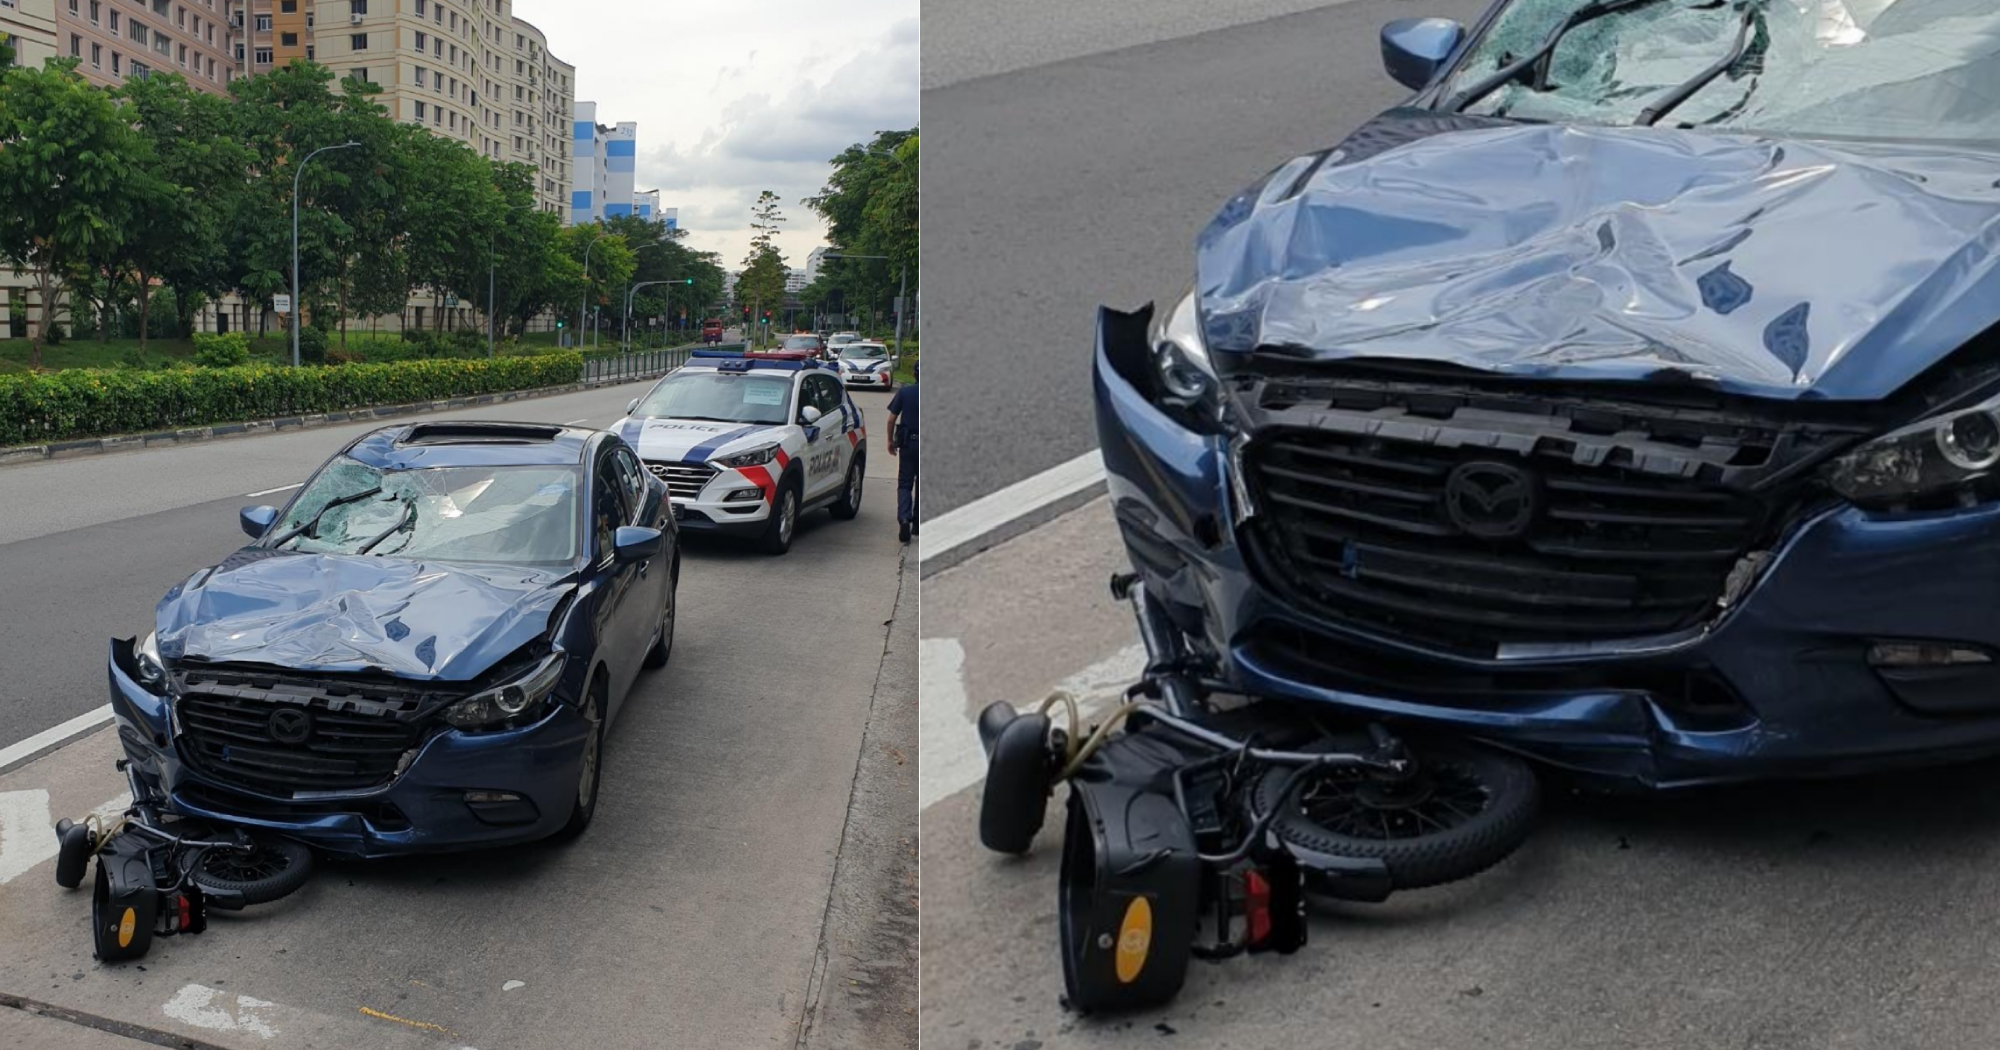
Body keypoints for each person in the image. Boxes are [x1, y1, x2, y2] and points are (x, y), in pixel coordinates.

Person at [886, 364, 919, 543]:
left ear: (914, 374)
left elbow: (891, 419)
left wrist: (890, 440)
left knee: (905, 483)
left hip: (909, 443)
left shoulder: (905, 393)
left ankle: (904, 519)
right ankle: (918, 524)